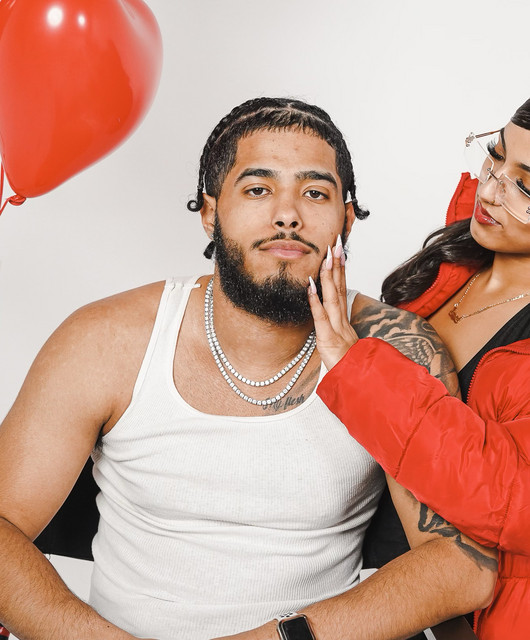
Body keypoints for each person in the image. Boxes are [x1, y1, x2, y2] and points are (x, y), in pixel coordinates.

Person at [0, 97, 496, 640]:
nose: (288, 215)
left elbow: (462, 564)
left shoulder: (398, 350)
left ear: (346, 220)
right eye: (258, 189)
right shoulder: (106, 340)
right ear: (210, 212)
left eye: (315, 193)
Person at [312, 97, 530, 639]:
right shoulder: (449, 265)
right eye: (494, 156)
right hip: (364, 596)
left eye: (526, 186)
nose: (489, 190)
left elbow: (508, 492)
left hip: (471, 618)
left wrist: (357, 370)